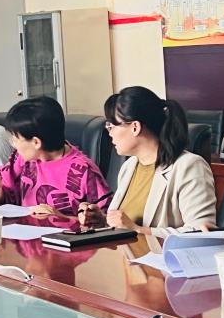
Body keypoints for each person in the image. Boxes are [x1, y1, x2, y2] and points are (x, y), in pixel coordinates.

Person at [78, 87, 216, 237]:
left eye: (111, 126)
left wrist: (138, 230)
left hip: (160, 253)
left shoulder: (190, 166)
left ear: (135, 127)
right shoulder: (129, 167)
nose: (110, 133)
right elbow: (126, 225)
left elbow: (200, 233)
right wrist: (102, 221)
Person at [0, 96, 109, 223]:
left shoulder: (84, 171)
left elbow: (106, 220)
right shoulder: (21, 159)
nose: (14, 145)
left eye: (15, 139)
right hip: (25, 232)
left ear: (36, 142)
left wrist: (61, 217)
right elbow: (7, 197)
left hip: (64, 235)